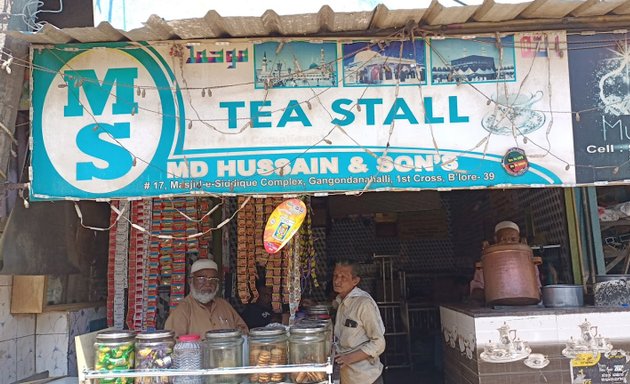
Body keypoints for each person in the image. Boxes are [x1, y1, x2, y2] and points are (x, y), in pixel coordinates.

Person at [332, 260, 385, 384]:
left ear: (355, 281)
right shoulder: (340, 300)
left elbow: (379, 343)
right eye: (335, 276)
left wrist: (348, 358)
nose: (337, 281)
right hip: (348, 377)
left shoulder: (364, 304)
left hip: (366, 378)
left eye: (343, 277)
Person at [164, 259, 248, 337]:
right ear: (191, 281)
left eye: (213, 279)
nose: (208, 284)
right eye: (202, 279)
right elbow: (172, 344)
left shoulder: (224, 305)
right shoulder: (183, 310)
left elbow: (244, 333)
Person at [469, 221, 541, 301]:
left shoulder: (527, 259)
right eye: (504, 239)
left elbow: (538, 289)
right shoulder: (488, 259)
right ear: (496, 239)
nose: (509, 242)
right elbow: (476, 290)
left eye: (513, 239)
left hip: (527, 303)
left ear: (519, 239)